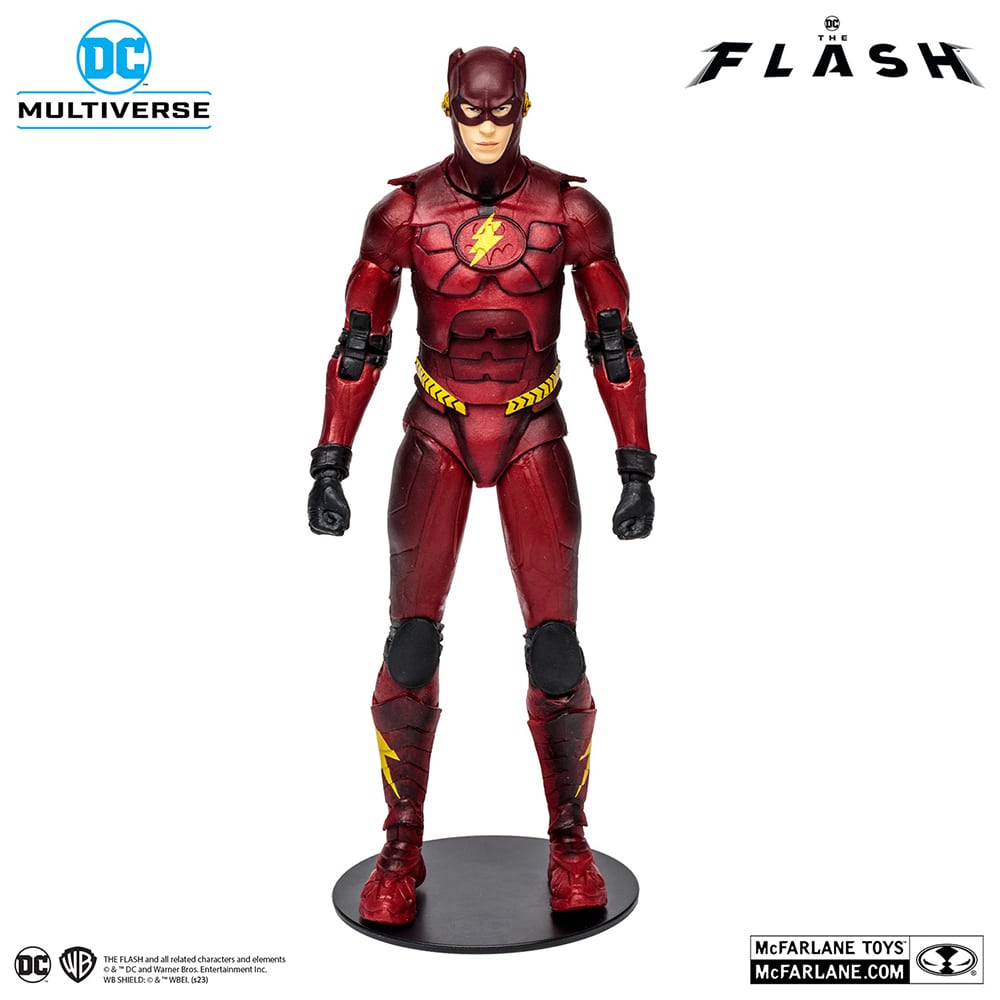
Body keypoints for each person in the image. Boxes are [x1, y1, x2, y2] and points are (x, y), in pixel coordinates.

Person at [308, 46, 655, 925]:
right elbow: (360, 342)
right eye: (473, 112)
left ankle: (570, 845)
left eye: (502, 113)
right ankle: (401, 846)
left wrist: (636, 463)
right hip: (438, 426)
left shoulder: (571, 212)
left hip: (535, 426)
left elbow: (613, 340)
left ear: (524, 107)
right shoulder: (403, 213)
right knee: (411, 645)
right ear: (449, 107)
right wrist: (330, 458)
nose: (488, 128)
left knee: (556, 651)